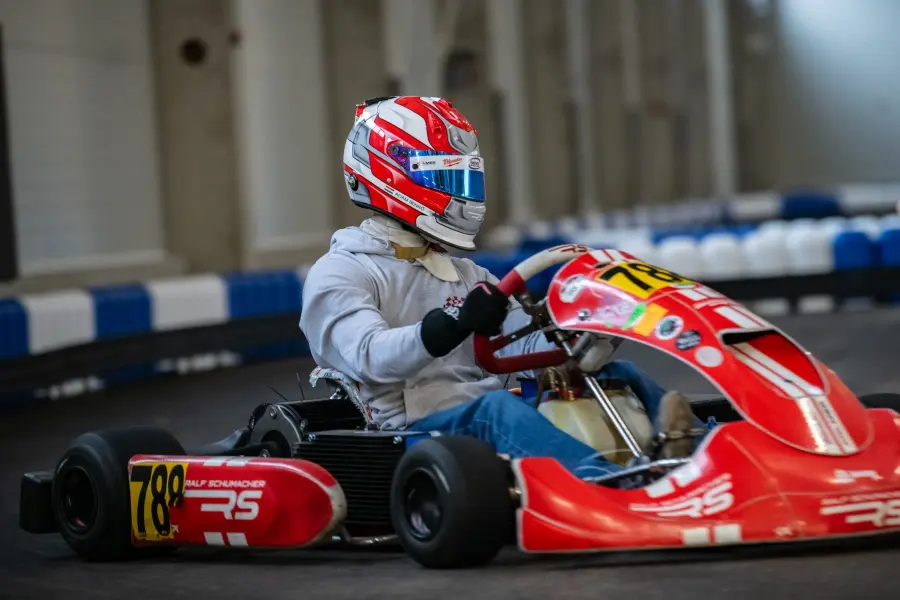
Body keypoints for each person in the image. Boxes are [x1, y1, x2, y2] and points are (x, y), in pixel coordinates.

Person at [300, 95, 699, 482]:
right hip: (411, 432)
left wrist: (585, 326)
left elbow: (524, 349)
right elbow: (369, 356)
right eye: (443, 177)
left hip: (481, 414)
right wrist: (454, 325)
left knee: (615, 374)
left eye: (462, 177)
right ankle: (612, 483)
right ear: (389, 175)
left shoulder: (466, 274)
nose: (459, 191)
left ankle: (708, 457)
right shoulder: (342, 273)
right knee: (496, 410)